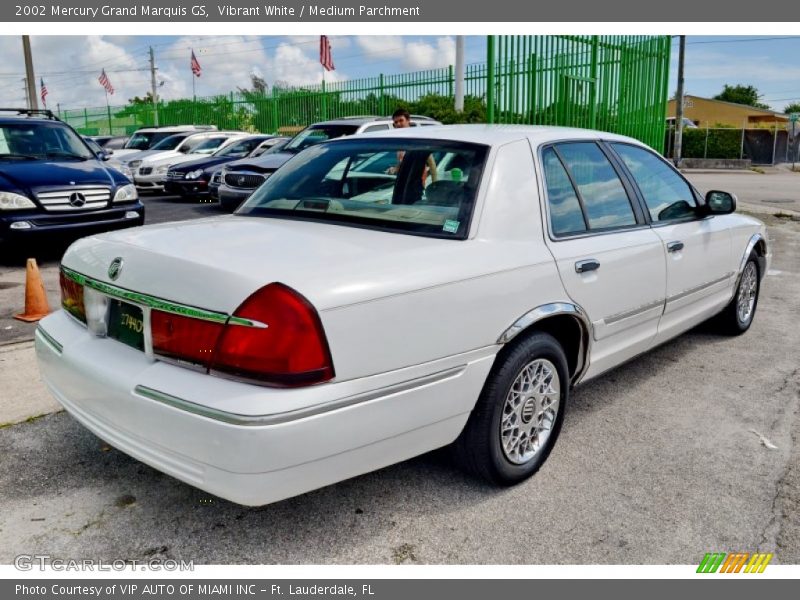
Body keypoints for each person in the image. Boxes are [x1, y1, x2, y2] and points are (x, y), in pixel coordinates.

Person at [387, 108, 438, 184]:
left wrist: (435, 183)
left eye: (401, 120)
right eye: (396, 122)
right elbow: (404, 163)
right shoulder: (400, 141)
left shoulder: (417, 139)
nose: (398, 124)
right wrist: (395, 169)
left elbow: (431, 164)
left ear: (408, 120)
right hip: (404, 182)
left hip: (416, 184)